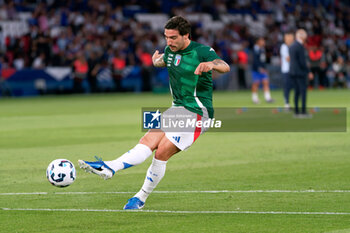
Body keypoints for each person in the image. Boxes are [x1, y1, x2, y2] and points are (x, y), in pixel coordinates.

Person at [78, 16, 230, 210]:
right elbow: (163, 61)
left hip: (197, 113)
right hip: (177, 110)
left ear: (186, 35)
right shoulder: (169, 51)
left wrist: (212, 65)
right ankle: (111, 169)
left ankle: (139, 196)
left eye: (173, 37)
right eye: (166, 37)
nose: (169, 42)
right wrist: (156, 61)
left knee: (162, 152)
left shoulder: (202, 51)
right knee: (147, 142)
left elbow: (225, 65)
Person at [289, 29, 313, 117]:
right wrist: (308, 71)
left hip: (293, 72)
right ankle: (303, 111)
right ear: (302, 37)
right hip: (300, 72)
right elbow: (302, 62)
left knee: (296, 92)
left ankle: (296, 112)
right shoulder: (300, 46)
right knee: (303, 92)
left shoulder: (292, 46)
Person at [251, 37, 274, 104]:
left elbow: (263, 60)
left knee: (266, 82)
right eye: (262, 41)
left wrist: (264, 68)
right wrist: (259, 68)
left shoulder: (262, 49)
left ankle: (268, 98)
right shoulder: (255, 49)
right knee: (256, 83)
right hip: (256, 69)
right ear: (258, 41)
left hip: (263, 69)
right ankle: (254, 98)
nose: (263, 42)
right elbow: (255, 61)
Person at [280, 32, 294, 110]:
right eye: (289, 37)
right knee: (287, 87)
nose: (291, 39)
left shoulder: (293, 46)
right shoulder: (284, 47)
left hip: (293, 70)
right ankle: (286, 103)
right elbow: (288, 59)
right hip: (286, 70)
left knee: (294, 87)